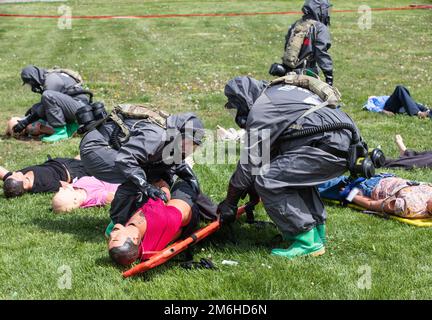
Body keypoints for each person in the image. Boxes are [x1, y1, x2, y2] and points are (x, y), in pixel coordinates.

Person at [217, 76, 365, 260]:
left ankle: (306, 242)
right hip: (345, 145)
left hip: (327, 145)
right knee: (291, 178)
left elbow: (250, 162)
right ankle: (317, 233)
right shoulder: (279, 93)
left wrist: (230, 202)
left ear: (243, 100)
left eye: (236, 106)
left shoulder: (262, 108)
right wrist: (248, 185)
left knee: (268, 180)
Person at [79, 110, 205, 225]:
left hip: (114, 148)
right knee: (137, 177)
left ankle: (134, 213)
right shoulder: (156, 134)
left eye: (193, 145)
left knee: (155, 173)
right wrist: (146, 186)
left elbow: (169, 158)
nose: (188, 148)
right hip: (95, 148)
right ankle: (118, 222)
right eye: (188, 142)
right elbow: (126, 160)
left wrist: (189, 177)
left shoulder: (173, 132)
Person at [108, 180, 202, 265]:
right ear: (135, 239)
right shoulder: (152, 214)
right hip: (188, 210)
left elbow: (125, 254)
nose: (112, 234)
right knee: (182, 183)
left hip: (178, 225)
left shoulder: (137, 251)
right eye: (116, 239)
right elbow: (164, 193)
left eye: (110, 239)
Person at [14, 65, 91, 142]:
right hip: (78, 107)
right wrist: (33, 110)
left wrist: (26, 122)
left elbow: (45, 106)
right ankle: (71, 128)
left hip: (80, 108)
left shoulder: (51, 80)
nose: (31, 87)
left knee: (47, 96)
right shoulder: (51, 75)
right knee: (37, 107)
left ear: (33, 79)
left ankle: (60, 132)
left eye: (29, 83)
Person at [269, 0, 333, 85]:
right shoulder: (320, 28)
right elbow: (321, 52)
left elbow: (287, 47)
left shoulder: (297, 24)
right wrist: (329, 76)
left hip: (289, 73)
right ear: (319, 10)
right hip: (308, 74)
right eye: (326, 10)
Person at [319, 174, 432, 219]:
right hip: (383, 177)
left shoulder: (411, 208)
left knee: (328, 185)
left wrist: (350, 195)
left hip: (366, 189)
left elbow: (372, 204)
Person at [1, 157, 88, 198]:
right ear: (24, 184)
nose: (14, 173)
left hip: (58, 162)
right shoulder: (42, 185)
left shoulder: (17, 179)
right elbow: (66, 185)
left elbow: (3, 173)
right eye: (15, 175)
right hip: (73, 171)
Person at [51, 176, 120, 213]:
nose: (60, 188)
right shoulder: (95, 197)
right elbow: (114, 197)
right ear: (75, 200)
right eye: (63, 191)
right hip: (118, 178)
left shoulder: (75, 187)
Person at [363, 85, 430, 119]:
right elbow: (367, 106)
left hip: (398, 106)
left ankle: (428, 112)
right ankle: (418, 113)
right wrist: (382, 111)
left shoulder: (395, 96)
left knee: (410, 100)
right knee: (399, 88)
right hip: (387, 108)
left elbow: (409, 101)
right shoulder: (372, 99)